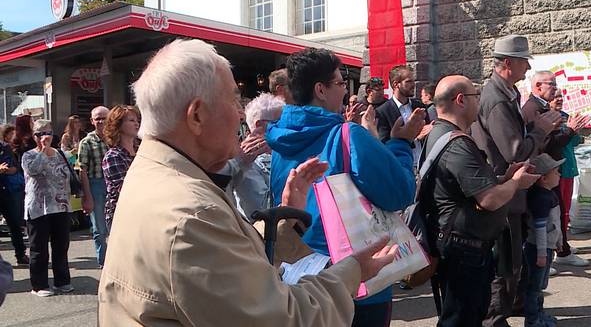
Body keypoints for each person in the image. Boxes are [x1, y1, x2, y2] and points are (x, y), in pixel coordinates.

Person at [98, 39, 399, 326]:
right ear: (197, 115)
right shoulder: (192, 214)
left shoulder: (153, 172)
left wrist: (284, 220)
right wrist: (353, 271)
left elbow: (227, 255)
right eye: (232, 99)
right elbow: (285, 319)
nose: (242, 113)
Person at [266, 48, 425, 327]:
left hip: (298, 275)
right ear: (320, 90)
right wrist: (401, 143)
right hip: (355, 277)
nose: (344, 90)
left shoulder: (279, 141)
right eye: (340, 83)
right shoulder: (347, 135)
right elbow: (399, 192)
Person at [423, 76, 539, 327]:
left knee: (465, 316)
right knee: (461, 318)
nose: (481, 103)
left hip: (459, 243)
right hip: (463, 248)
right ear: (460, 100)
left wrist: (504, 177)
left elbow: (466, 186)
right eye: (476, 96)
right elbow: (489, 199)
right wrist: (516, 182)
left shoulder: (441, 134)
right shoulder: (457, 144)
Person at [470, 35, 561, 327]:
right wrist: (539, 130)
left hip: (508, 192)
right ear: (508, 63)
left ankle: (510, 310)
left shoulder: (504, 93)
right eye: (524, 62)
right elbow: (514, 151)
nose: (526, 69)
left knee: (510, 263)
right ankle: (495, 320)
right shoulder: (497, 98)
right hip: (504, 194)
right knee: (505, 266)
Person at [522, 72, 590, 268]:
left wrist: (570, 130)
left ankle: (561, 250)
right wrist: (570, 130)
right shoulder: (533, 109)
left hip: (552, 167)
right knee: (545, 215)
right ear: (537, 87)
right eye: (551, 84)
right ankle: (547, 256)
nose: (555, 88)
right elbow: (546, 143)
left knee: (557, 211)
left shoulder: (541, 107)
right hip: (543, 169)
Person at [22, 120, 73, 297]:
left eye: (49, 133)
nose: (45, 137)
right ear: (34, 136)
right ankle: (39, 285)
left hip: (60, 205)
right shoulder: (28, 155)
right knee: (39, 248)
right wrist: (43, 151)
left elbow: (68, 175)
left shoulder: (60, 154)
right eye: (40, 134)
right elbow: (34, 170)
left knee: (61, 246)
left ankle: (62, 281)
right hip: (38, 207)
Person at [219, 93, 284, 221]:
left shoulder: (281, 153)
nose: (287, 128)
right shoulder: (248, 161)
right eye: (280, 123)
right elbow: (260, 211)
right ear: (260, 126)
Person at [548, 91, 588, 272]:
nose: (559, 99)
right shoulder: (546, 119)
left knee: (565, 211)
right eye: (555, 96)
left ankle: (563, 245)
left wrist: (575, 130)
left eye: (561, 96)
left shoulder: (565, 117)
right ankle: (558, 249)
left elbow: (575, 141)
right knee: (557, 212)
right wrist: (567, 130)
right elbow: (555, 143)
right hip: (557, 170)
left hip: (569, 168)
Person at [524, 154, 564, 327]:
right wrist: (541, 254)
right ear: (544, 178)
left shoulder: (549, 195)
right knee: (534, 287)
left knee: (540, 285)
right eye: (556, 172)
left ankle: (540, 315)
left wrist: (559, 240)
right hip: (538, 249)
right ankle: (532, 320)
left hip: (547, 247)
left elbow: (556, 223)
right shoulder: (540, 199)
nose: (560, 175)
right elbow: (540, 229)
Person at [78, 106, 110, 267]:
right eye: (97, 118)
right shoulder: (86, 142)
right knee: (99, 229)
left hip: (114, 185)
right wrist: (87, 196)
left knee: (116, 226)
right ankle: (103, 262)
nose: (101, 121)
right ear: (92, 121)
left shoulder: (115, 139)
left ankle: (117, 260)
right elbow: (82, 170)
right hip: (96, 184)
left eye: (104, 117)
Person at [102, 105, 140, 231]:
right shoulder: (113, 156)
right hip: (121, 214)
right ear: (118, 125)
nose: (137, 124)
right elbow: (125, 188)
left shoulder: (142, 151)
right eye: (131, 120)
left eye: (137, 120)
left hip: (141, 210)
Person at [0, 125, 28, 265]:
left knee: (14, 224)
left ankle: (21, 254)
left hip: (7, 190)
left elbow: (16, 165)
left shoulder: (5, 147)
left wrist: (12, 169)